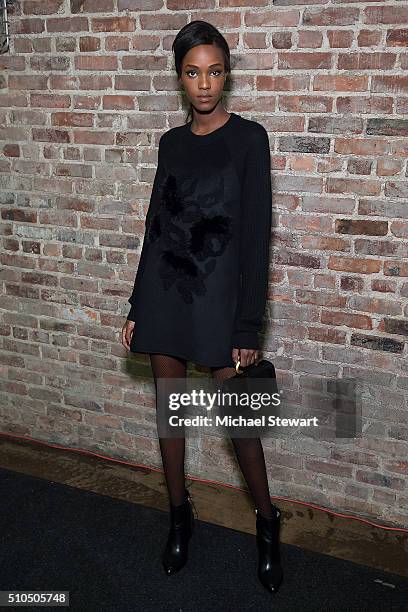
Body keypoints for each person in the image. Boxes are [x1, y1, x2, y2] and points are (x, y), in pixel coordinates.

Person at [121, 20, 283, 594]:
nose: (205, 84)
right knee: (172, 417)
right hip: (166, 294)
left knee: (239, 419)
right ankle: (179, 516)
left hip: (219, 302)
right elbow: (156, 226)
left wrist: (248, 325)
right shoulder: (169, 143)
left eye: (215, 72)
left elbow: (256, 238)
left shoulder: (249, 140)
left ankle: (267, 522)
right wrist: (138, 302)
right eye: (193, 73)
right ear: (180, 78)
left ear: (227, 75)